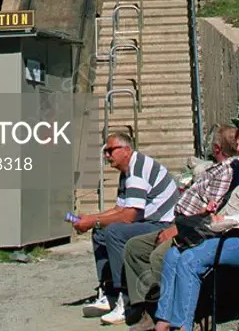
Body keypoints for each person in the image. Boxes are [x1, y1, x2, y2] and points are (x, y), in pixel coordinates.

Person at [153, 123, 239, 331]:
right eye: (238, 143)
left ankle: (182, 326)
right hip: (222, 234)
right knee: (173, 255)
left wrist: (228, 220)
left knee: (189, 259)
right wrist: (214, 208)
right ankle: (164, 321)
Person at [122, 125, 239, 330]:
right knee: (135, 247)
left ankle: (170, 312)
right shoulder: (215, 168)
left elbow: (210, 212)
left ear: (216, 147)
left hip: (193, 230)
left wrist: (177, 229)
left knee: (160, 255)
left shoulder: (227, 172)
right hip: (180, 223)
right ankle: (148, 307)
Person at [76, 132, 179, 324]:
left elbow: (129, 216)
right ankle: (110, 293)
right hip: (149, 219)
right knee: (100, 232)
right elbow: (119, 209)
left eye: (110, 150)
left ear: (126, 150)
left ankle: (126, 299)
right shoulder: (127, 171)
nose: (107, 155)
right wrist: (92, 219)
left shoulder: (137, 169)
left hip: (164, 224)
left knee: (114, 232)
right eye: (105, 151)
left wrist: (92, 220)